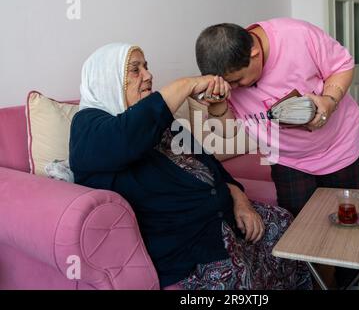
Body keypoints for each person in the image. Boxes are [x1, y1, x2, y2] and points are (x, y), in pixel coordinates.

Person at [69, 43, 312, 290]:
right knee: (235, 277)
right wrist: (188, 84)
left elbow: (208, 163)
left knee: (284, 223)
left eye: (146, 66)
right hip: (187, 246)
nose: (148, 75)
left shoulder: (160, 123)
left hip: (223, 220)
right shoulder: (88, 126)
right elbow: (126, 139)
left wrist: (240, 199)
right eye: (135, 70)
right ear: (106, 79)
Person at [195, 18, 359, 287]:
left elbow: (342, 66)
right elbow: (226, 133)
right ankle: (312, 284)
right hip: (287, 158)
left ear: (255, 53)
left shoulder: (296, 36)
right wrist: (217, 105)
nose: (235, 90)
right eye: (229, 85)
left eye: (238, 81)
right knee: (299, 231)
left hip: (338, 147)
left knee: (347, 228)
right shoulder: (227, 78)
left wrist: (328, 101)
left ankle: (351, 282)